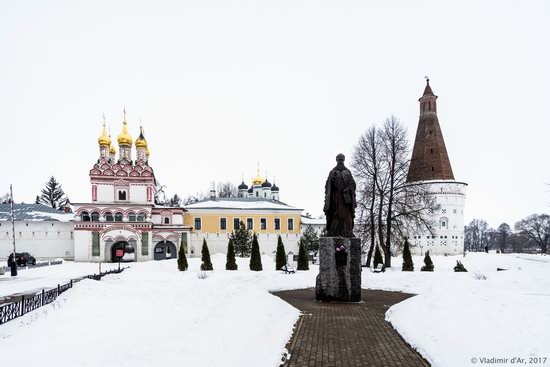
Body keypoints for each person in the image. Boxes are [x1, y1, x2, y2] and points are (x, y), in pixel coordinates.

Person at [323, 153, 356, 237]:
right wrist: (331, 181)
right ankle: (333, 232)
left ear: (344, 160)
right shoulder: (332, 172)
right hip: (335, 198)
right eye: (339, 160)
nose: (340, 161)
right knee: (335, 215)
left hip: (345, 199)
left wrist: (348, 189)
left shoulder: (348, 172)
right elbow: (327, 186)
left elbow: (353, 184)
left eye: (341, 160)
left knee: (346, 216)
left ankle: (347, 232)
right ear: (336, 160)